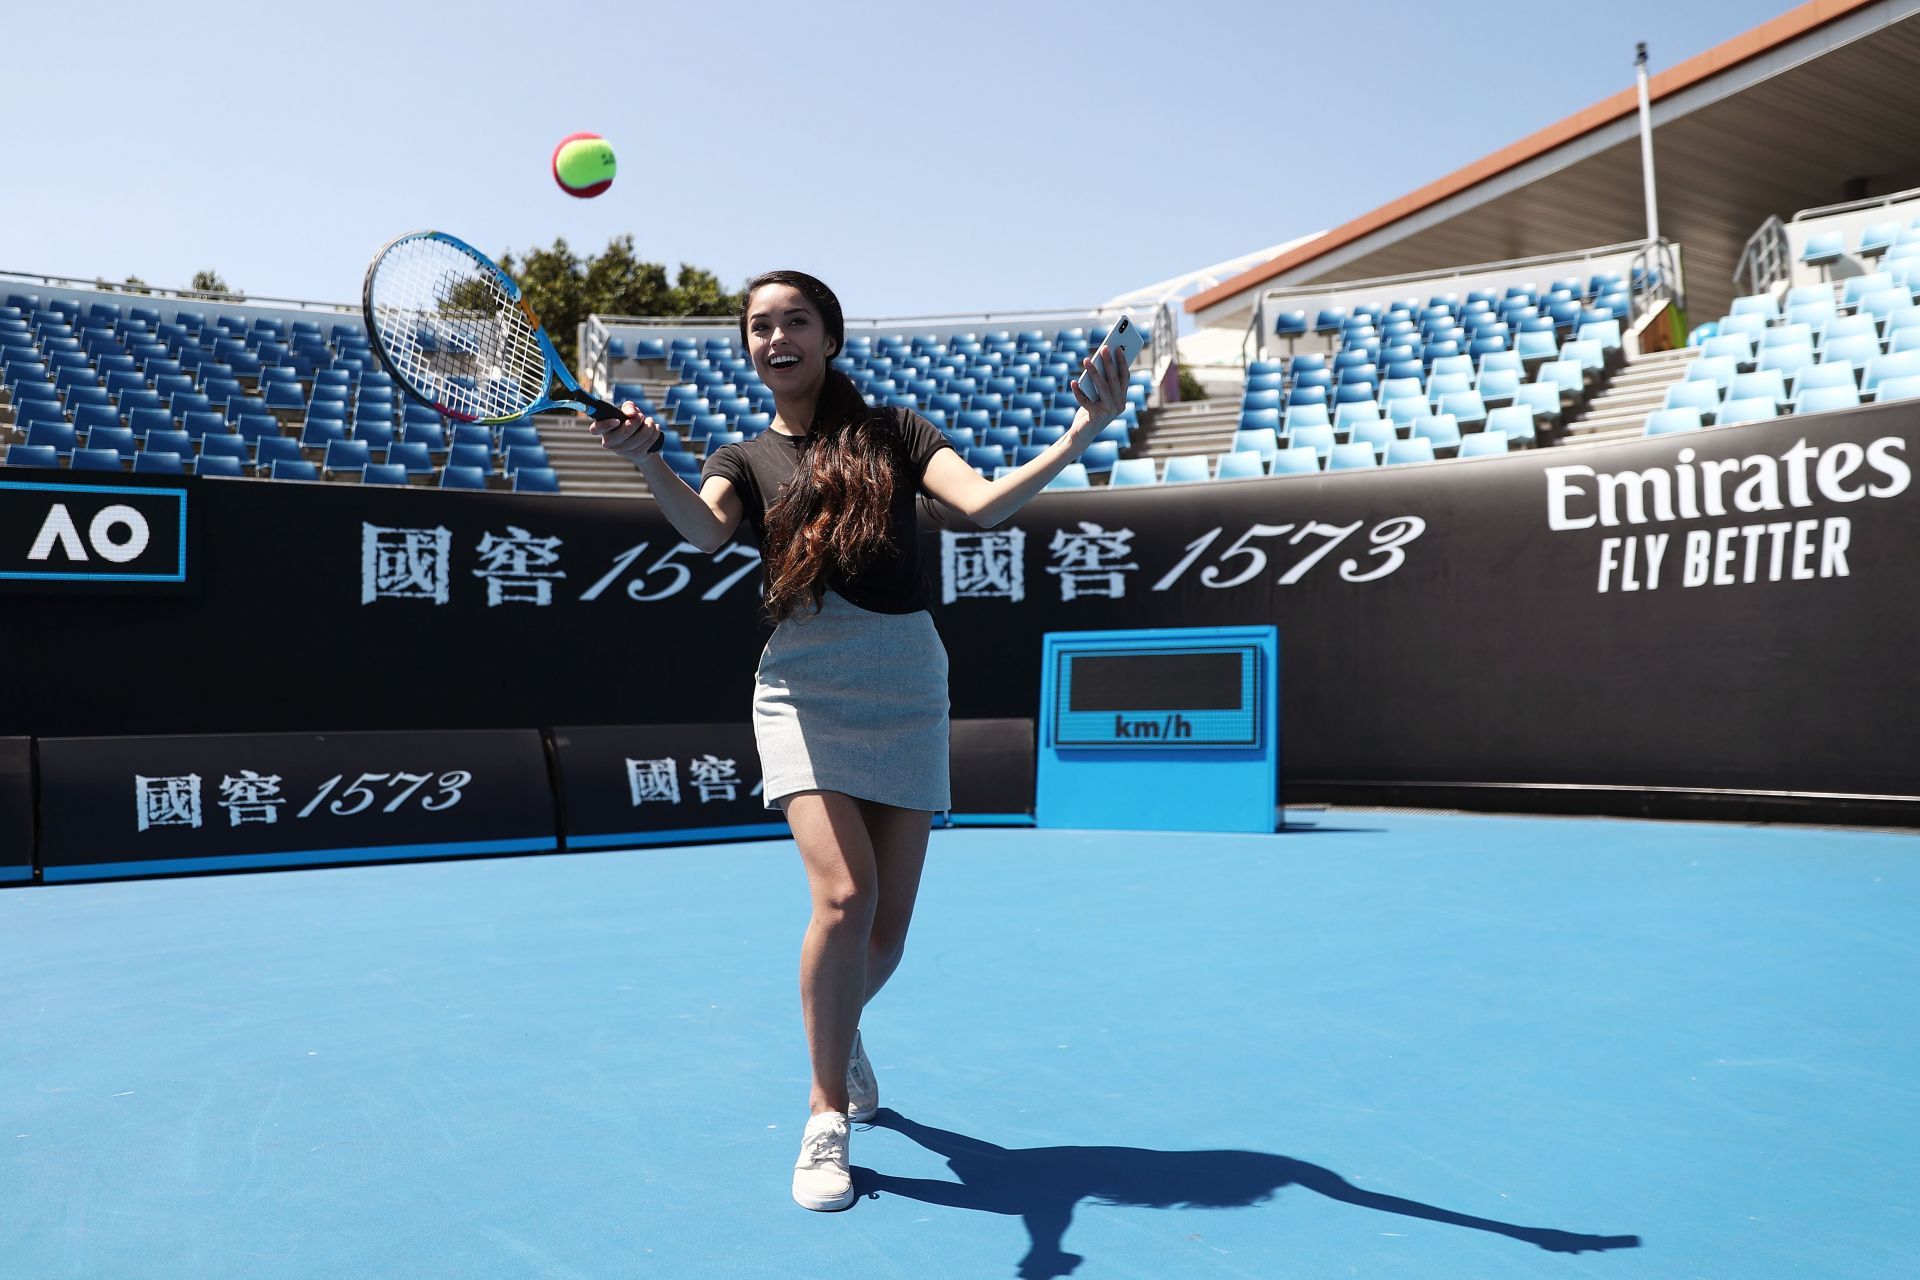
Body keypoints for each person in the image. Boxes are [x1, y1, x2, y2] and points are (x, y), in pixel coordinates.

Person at [590, 271, 1132, 1211]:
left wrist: (1080, 435)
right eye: (758, 326)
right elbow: (706, 533)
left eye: (794, 319)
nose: (775, 336)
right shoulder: (742, 457)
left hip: (908, 680)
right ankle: (825, 1114)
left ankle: (838, 1028)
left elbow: (982, 506)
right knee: (844, 898)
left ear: (829, 337)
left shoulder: (895, 434)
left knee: (889, 930)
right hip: (800, 684)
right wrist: (648, 461)